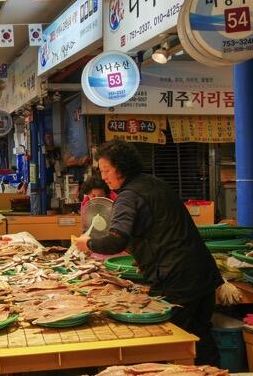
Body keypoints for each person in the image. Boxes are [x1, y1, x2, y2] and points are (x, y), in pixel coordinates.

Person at [74, 140, 222, 366]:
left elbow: (116, 240)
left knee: (172, 344)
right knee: (201, 339)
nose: (103, 177)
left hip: (177, 281)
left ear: (120, 168)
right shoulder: (156, 183)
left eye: (106, 170)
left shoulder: (128, 196)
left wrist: (89, 244)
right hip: (203, 274)